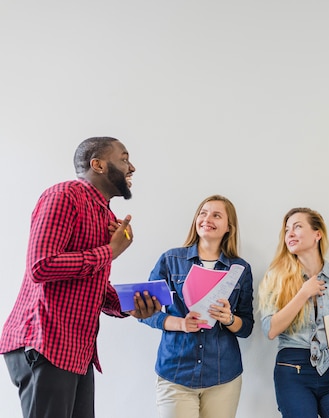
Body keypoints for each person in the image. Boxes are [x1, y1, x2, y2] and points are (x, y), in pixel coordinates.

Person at [0, 136, 162, 418]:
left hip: (76, 352)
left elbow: (89, 286)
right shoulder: (64, 195)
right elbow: (41, 266)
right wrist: (110, 251)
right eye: (123, 158)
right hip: (45, 342)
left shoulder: (103, 215)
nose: (131, 167)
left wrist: (131, 305)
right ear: (97, 164)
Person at [138, 195, 254, 418]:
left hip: (222, 377)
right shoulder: (170, 260)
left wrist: (228, 319)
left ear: (229, 227)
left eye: (216, 215)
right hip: (176, 374)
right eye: (203, 212)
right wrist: (180, 323)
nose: (207, 218)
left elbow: (246, 327)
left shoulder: (240, 269)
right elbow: (145, 312)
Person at [258, 207, 329, 418]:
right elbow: (270, 329)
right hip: (293, 369)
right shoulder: (276, 277)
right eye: (287, 230)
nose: (290, 234)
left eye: (297, 227)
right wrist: (303, 293)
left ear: (317, 234)